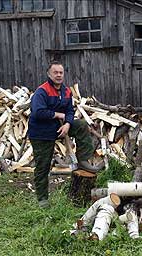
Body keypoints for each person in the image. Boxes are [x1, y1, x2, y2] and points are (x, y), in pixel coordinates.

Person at [28, 61, 102, 208]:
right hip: (41, 132)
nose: (59, 75)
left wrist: (68, 124)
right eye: (55, 72)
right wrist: (57, 115)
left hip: (59, 127)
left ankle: (83, 161)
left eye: (61, 72)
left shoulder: (66, 91)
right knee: (43, 166)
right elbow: (38, 112)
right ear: (49, 74)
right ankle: (42, 199)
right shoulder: (42, 91)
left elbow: (69, 111)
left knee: (80, 125)